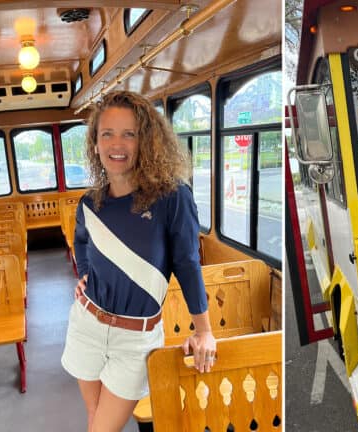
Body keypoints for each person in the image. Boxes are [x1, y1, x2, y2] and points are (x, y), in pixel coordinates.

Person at [61, 90, 216, 432]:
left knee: (102, 428)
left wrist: (204, 331)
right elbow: (81, 243)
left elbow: (187, 263)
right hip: (86, 324)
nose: (117, 144)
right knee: (94, 419)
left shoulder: (172, 196)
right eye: (108, 134)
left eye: (129, 134)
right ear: (96, 143)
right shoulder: (90, 203)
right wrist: (85, 275)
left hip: (135, 338)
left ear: (145, 140)